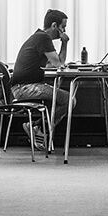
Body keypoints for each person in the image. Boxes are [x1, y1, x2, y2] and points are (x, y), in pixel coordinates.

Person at [10, 9, 76, 149]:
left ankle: (36, 127)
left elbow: (52, 63)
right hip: (24, 88)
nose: (64, 30)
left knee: (63, 99)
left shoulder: (38, 37)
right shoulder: (43, 38)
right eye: (63, 27)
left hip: (23, 87)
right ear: (54, 25)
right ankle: (36, 126)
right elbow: (59, 63)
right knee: (70, 100)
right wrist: (65, 43)